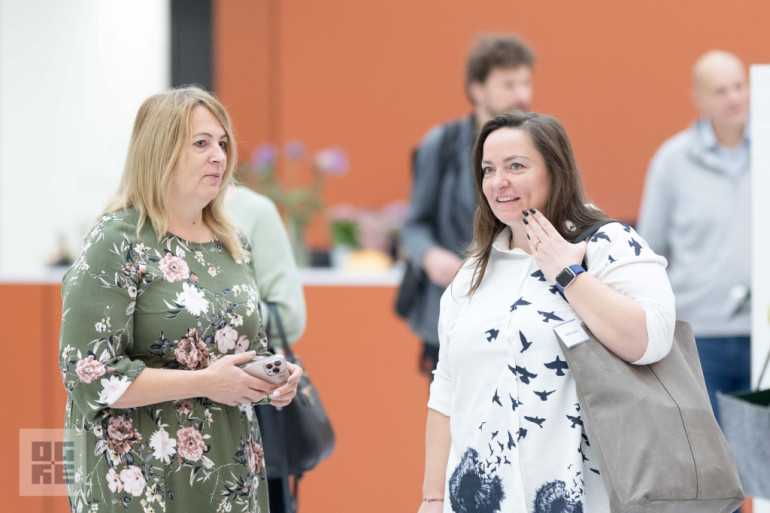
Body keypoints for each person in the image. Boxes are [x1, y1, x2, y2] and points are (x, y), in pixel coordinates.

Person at [59, 86, 303, 513]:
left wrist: (270, 379)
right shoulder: (116, 240)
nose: (219, 156)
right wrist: (205, 382)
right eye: (201, 143)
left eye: (223, 143)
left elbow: (244, 354)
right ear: (160, 152)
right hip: (139, 478)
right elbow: (90, 375)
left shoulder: (232, 242)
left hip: (230, 471)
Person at [418, 111, 676, 512]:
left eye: (516, 166)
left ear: (556, 171)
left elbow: (652, 340)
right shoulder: (473, 272)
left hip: (586, 497)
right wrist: (432, 498)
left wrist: (568, 273)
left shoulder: (608, 244)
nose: (498, 182)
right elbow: (447, 389)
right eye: (488, 169)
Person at [401, 34, 535, 382]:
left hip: (519, 311)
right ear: (477, 89)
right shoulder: (441, 144)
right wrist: (430, 257)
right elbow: (414, 224)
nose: (522, 94)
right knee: (453, 425)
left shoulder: (541, 146)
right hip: (453, 310)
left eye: (525, 81)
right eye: (508, 83)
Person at [637, 50, 751, 424]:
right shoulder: (671, 161)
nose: (734, 98)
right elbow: (647, 250)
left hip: (763, 333)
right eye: (721, 91)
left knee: (762, 463)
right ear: (699, 99)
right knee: (712, 458)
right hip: (698, 337)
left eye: (739, 86)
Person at [225, 184, 307, 513]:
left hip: (250, 406)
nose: (213, 154)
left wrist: (213, 304)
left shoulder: (254, 211)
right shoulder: (131, 213)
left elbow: (290, 315)